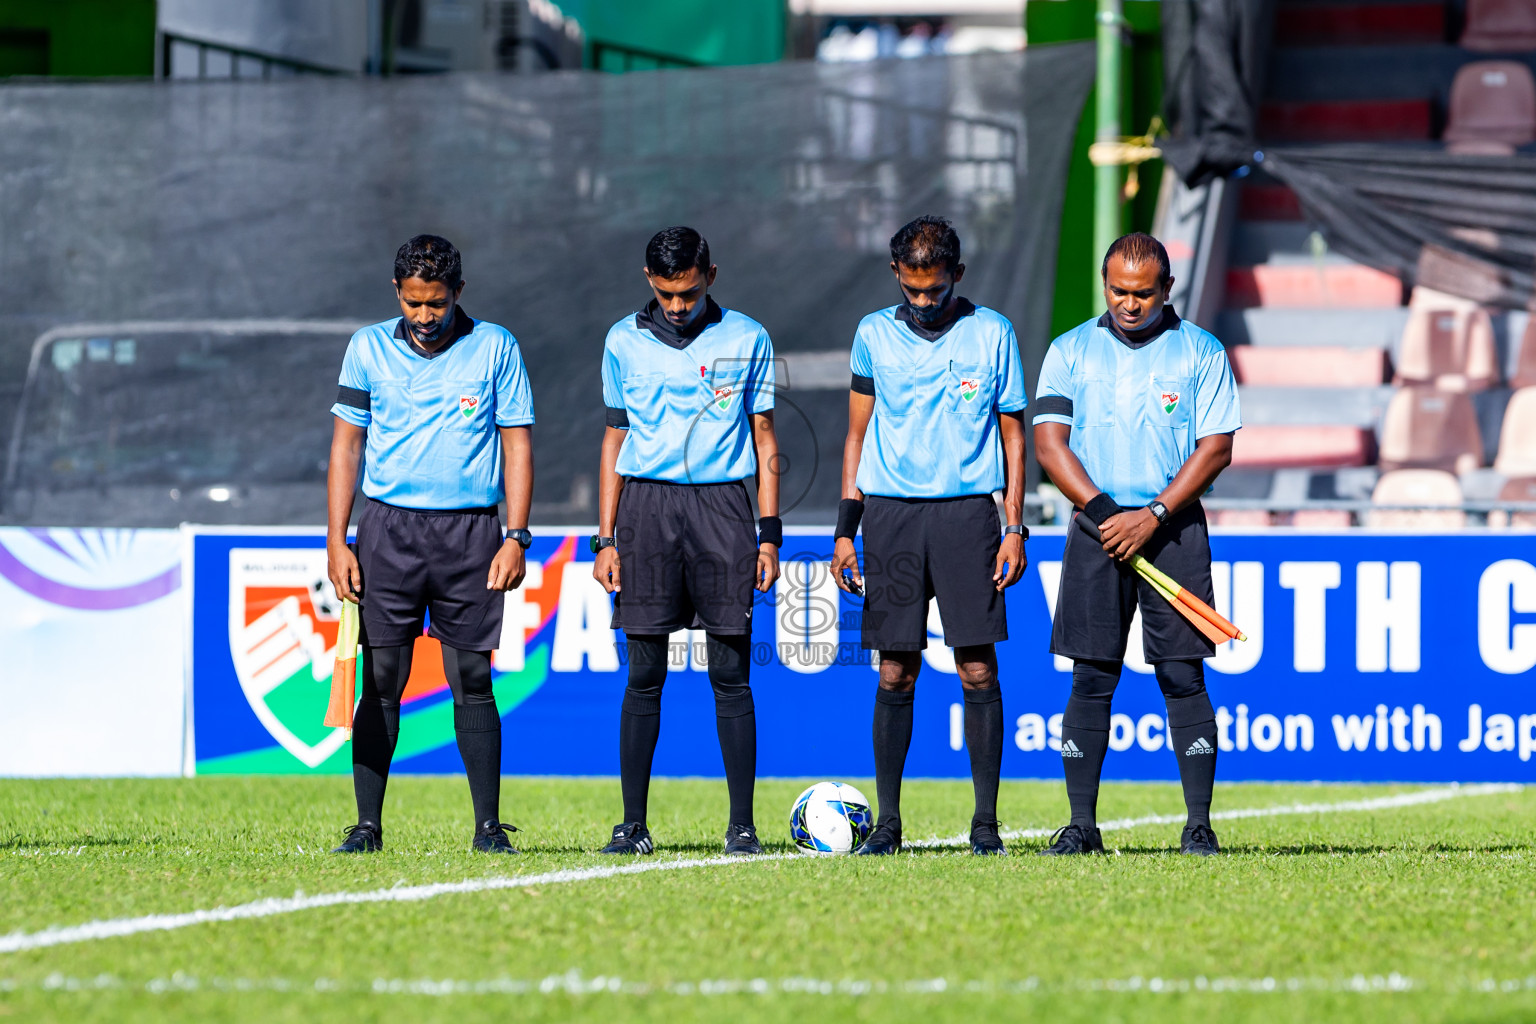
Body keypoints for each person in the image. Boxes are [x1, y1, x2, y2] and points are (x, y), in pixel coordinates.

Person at [1033, 232, 1240, 857]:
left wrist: (1151, 515)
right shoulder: (1070, 349)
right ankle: (1081, 826)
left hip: (1172, 528)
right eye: (1119, 291)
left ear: (1167, 288)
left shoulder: (1200, 350)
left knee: (1182, 673)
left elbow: (1217, 447)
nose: (1130, 303)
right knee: (1092, 675)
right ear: (1105, 286)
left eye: (1143, 293)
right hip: (1097, 531)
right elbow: (1049, 443)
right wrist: (1104, 515)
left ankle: (1198, 825)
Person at [326, 234, 535, 855]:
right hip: (387, 532)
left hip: (472, 534)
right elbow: (345, 447)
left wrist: (517, 536)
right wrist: (338, 541)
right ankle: (366, 827)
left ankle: (488, 829)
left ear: (458, 294)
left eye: (437, 304)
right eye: (414, 303)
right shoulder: (366, 348)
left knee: (472, 677)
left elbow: (517, 445)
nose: (425, 316)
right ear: (398, 293)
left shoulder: (496, 346)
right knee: (382, 678)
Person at [831, 215, 1029, 857]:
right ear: (896, 276)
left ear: (957, 277)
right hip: (889, 515)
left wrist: (1013, 526)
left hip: (969, 516)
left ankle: (986, 825)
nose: (923, 302)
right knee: (895, 672)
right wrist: (845, 531)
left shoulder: (993, 333)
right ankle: (887, 824)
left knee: (977, 668)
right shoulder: (872, 335)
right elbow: (857, 436)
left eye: (935, 290)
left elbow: (1013, 437)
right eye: (912, 290)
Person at [592, 226, 782, 857]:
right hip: (646, 508)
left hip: (725, 508)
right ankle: (632, 825)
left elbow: (765, 439)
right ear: (650, 281)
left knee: (731, 673)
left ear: (711, 275)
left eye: (689, 292)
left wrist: (769, 536)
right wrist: (604, 540)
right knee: (644, 672)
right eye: (667, 294)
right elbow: (614, 441)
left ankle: (743, 827)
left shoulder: (749, 337)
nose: (678, 306)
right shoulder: (622, 339)